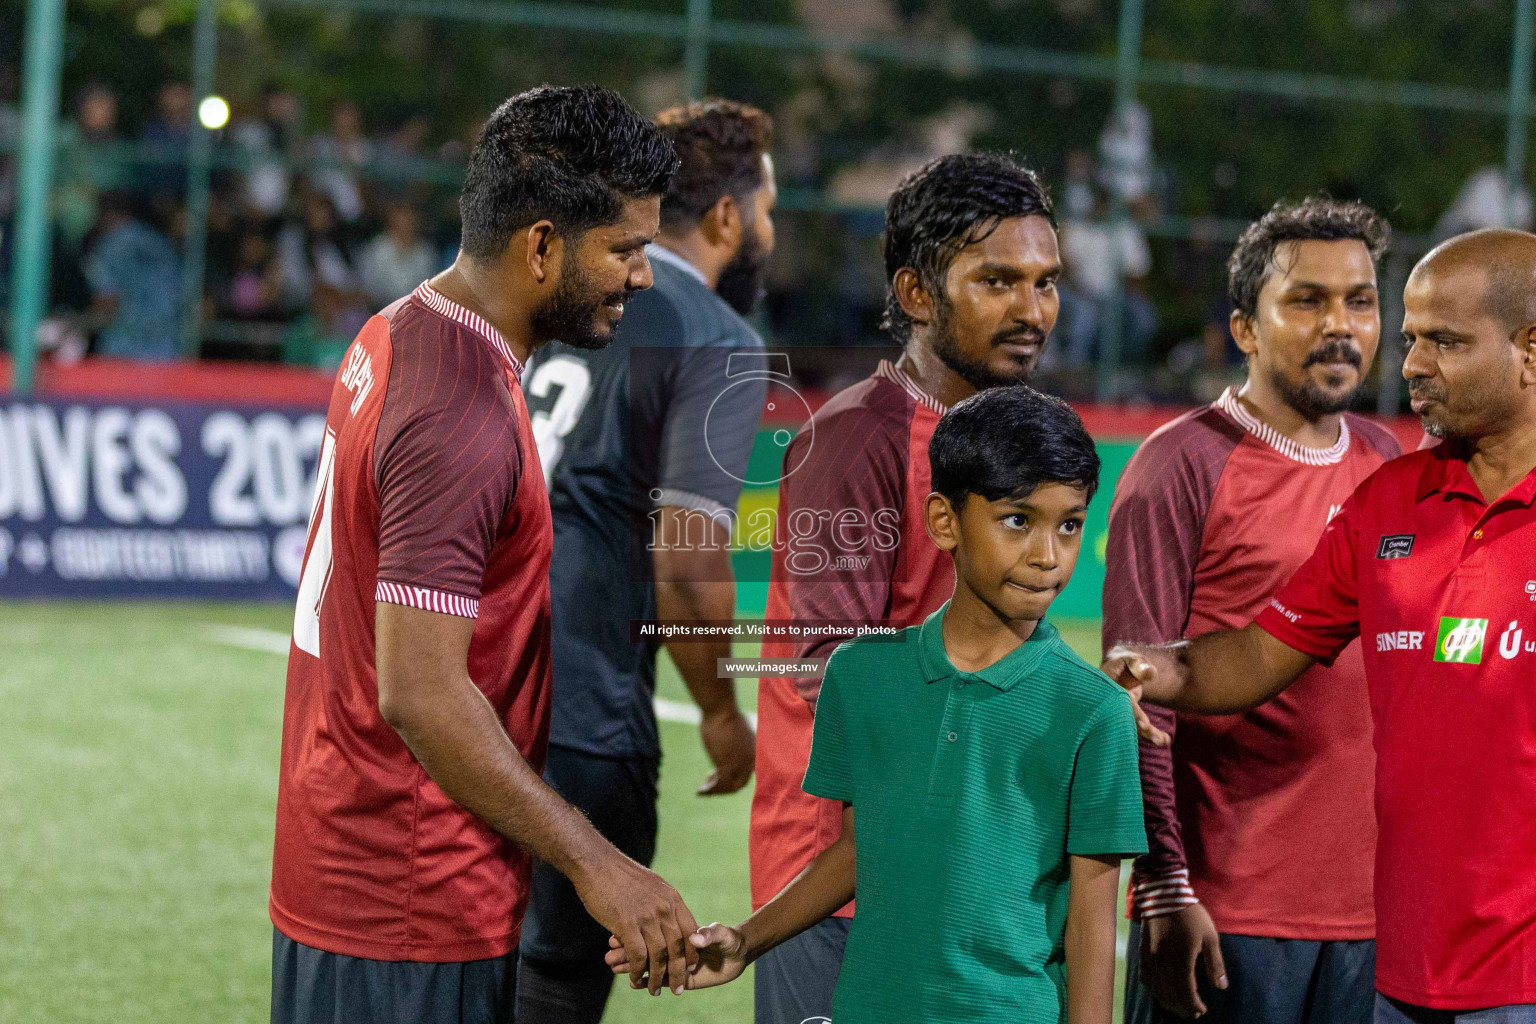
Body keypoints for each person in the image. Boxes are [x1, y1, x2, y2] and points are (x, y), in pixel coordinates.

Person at [268, 85, 702, 1024]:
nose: (644, 278)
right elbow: (419, 689)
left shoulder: (403, 326)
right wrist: (598, 864)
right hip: (407, 892)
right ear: (541, 245)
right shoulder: (460, 409)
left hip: (361, 860)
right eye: (626, 250)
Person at [611, 385, 1148, 1024]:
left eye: (1069, 524)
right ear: (944, 520)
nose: (1048, 556)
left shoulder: (1095, 711)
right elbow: (861, 851)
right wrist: (748, 941)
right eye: (1017, 520)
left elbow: (1092, 920)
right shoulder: (860, 676)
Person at [1105, 228, 1536, 1023]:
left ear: (1530, 353)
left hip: (1497, 966)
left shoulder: (1370, 458)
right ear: (1245, 326)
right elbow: (1263, 649)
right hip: (1383, 961)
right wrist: (1147, 670)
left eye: (1443, 342)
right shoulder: (1389, 497)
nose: (1409, 366)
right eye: (1413, 340)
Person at [750, 151, 1062, 1024]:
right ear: (918, 295)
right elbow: (830, 672)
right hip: (842, 886)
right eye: (997, 281)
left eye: (1045, 282)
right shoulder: (855, 440)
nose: (1031, 311)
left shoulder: (1022, 440)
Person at [514, 97, 777, 1024]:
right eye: (768, 213)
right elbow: (689, 560)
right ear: (727, 218)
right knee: (558, 979)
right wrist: (719, 711)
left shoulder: (550, 294)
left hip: (479, 699)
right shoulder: (716, 337)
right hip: (586, 716)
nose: (770, 236)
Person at [1106, 198, 1401, 1024]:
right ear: (1245, 327)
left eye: (1360, 300)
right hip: (1229, 910)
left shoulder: (1387, 459)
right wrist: (1164, 884)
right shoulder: (1180, 466)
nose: (1339, 324)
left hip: (1373, 915)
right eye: (1306, 300)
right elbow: (1133, 700)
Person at [82, 190, 181, 361]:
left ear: (104, 212)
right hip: (167, 354)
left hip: (124, 355)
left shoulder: (108, 248)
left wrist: (76, 326)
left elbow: (107, 303)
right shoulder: (160, 243)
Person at [359, 200, 441, 311]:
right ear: (392, 223)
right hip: (380, 310)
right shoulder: (377, 249)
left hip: (415, 312)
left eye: (409, 222)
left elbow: (429, 291)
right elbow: (369, 288)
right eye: (401, 222)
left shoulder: (425, 252)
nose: (405, 226)